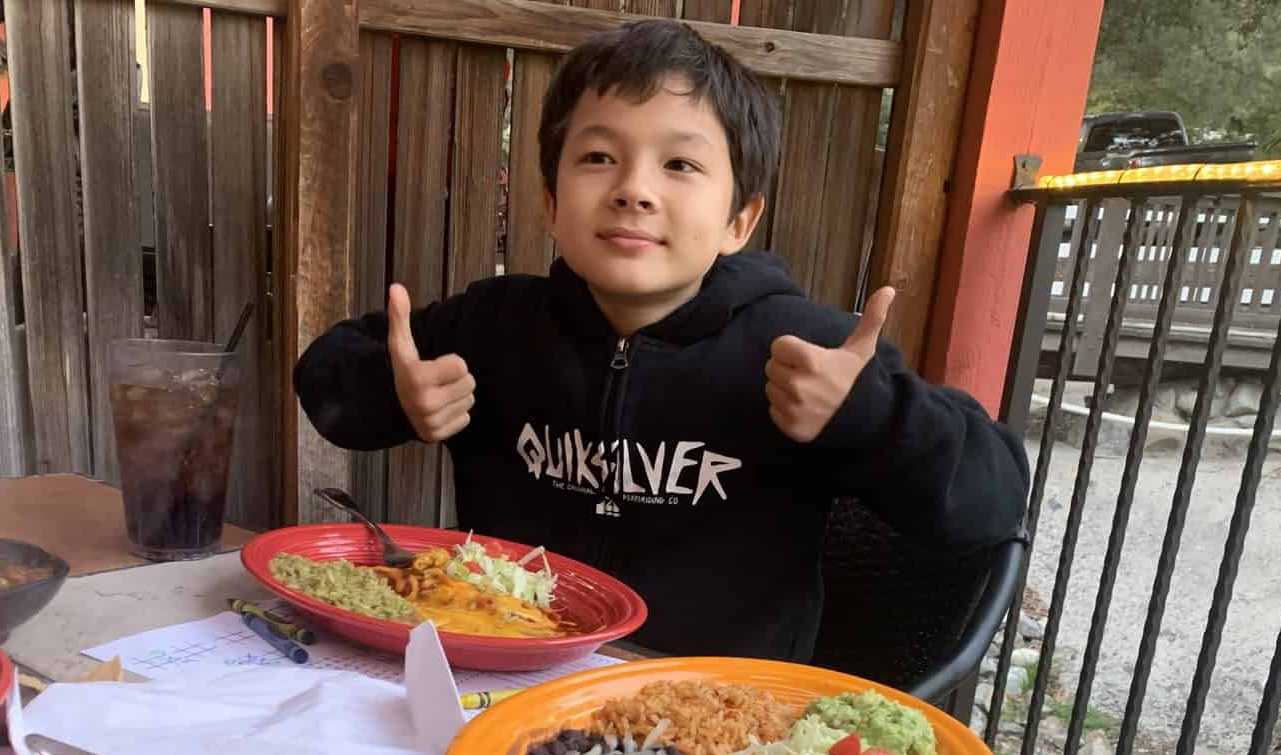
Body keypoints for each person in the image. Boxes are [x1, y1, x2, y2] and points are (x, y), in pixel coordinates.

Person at [296, 18, 1029, 662]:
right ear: (551, 203)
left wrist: (873, 417)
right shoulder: (496, 325)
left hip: (715, 719)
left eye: (680, 164)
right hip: (504, 678)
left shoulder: (810, 350)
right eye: (597, 158)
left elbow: (991, 503)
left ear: (740, 220)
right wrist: (393, 394)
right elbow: (326, 374)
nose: (634, 189)